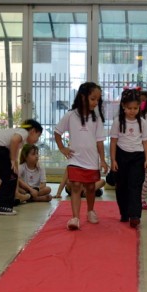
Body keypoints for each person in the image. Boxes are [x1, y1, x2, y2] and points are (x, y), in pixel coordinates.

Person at [54, 82, 108, 230]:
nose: (96, 102)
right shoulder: (70, 115)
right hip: (75, 159)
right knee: (76, 186)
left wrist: (102, 160)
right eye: (93, 98)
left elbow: (99, 141)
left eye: (98, 99)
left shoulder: (96, 118)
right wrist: (62, 148)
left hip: (91, 160)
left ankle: (90, 211)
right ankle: (75, 217)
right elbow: (57, 132)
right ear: (83, 97)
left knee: (90, 187)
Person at [110, 88, 147, 228]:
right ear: (123, 106)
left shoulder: (142, 122)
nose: (132, 111)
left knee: (135, 185)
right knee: (121, 186)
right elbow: (113, 141)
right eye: (129, 108)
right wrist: (113, 160)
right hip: (121, 155)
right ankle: (124, 213)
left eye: (135, 108)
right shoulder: (117, 121)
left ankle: (135, 215)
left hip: (138, 157)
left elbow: (146, 142)